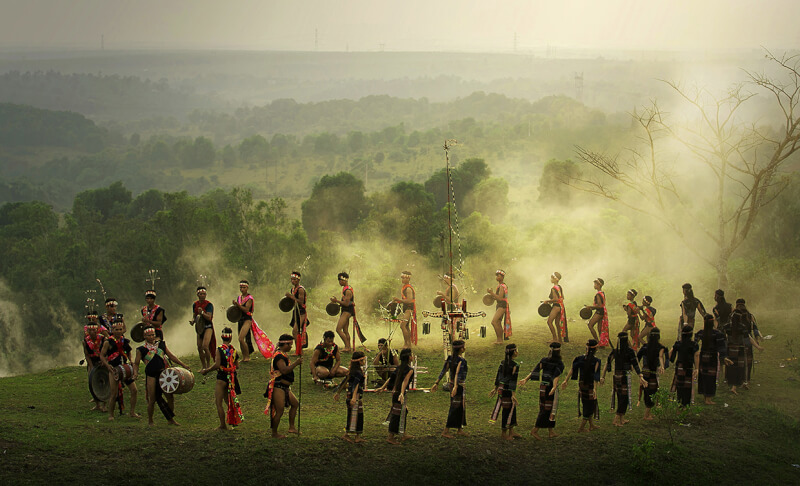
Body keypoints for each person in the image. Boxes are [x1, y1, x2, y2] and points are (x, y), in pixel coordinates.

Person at [133, 326, 189, 426]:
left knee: (170, 397)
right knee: (152, 399)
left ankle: (170, 419)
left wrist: (183, 364)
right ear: (144, 336)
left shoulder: (161, 344)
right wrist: (135, 373)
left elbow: (171, 356)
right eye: (149, 335)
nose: (151, 337)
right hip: (151, 375)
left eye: (153, 335)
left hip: (163, 374)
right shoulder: (141, 349)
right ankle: (150, 421)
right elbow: (136, 363)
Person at [200, 327, 243, 430]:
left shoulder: (219, 349)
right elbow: (237, 366)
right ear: (231, 337)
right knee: (228, 401)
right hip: (231, 378)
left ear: (221, 337)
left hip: (221, 378)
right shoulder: (233, 350)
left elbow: (217, 364)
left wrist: (207, 370)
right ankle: (233, 421)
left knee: (218, 402)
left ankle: (223, 425)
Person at [520, 342, 565, 439]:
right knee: (548, 409)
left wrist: (526, 379)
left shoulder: (544, 360)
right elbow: (556, 376)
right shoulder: (559, 363)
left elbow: (535, 370)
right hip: (550, 387)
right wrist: (554, 387)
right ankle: (535, 430)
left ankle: (551, 431)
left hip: (542, 387)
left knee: (545, 408)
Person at [601, 332, 646, 426]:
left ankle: (622, 419)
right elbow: (635, 364)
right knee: (623, 398)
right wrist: (640, 375)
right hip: (624, 377)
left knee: (620, 396)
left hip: (616, 376)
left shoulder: (615, 351)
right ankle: (616, 420)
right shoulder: (629, 351)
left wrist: (603, 376)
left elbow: (607, 363)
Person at [100, 322, 139, 420]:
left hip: (125, 368)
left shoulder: (125, 341)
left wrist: (131, 360)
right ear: (112, 331)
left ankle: (132, 412)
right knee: (113, 394)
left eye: (120, 329)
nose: (118, 331)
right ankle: (111, 415)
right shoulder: (108, 342)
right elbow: (102, 355)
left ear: (123, 330)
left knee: (134, 390)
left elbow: (129, 352)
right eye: (116, 330)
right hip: (114, 369)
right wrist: (107, 366)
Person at [561, 339, 602, 432]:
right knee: (590, 405)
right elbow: (596, 376)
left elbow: (572, 369)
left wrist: (565, 380)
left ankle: (591, 425)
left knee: (586, 402)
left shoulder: (579, 359)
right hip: (590, 385)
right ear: (596, 349)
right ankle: (581, 427)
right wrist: (595, 389)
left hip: (582, 384)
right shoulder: (596, 361)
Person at [266, 335, 303, 438]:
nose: (291, 346)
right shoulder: (279, 356)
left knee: (295, 404)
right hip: (279, 386)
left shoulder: (282, 354)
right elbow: (284, 370)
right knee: (280, 410)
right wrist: (296, 363)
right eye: (290, 344)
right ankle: (274, 433)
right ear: (285, 344)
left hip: (285, 387)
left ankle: (291, 427)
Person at [430, 340, 468, 438]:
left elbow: (444, 370)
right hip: (457, 385)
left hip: (452, 384)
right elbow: (457, 374)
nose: (465, 348)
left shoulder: (451, 359)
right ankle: (446, 430)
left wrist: (437, 382)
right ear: (460, 349)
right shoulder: (461, 361)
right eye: (463, 347)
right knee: (455, 407)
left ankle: (459, 429)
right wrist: (456, 386)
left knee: (459, 407)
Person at [725, 300, 764, 394]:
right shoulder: (747, 318)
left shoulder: (728, 324)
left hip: (731, 348)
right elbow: (752, 331)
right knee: (744, 365)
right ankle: (745, 381)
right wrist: (758, 345)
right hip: (742, 346)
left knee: (732, 366)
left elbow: (723, 335)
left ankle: (732, 384)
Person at [694, 314, 730, 405]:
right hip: (712, 358)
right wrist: (724, 357)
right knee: (711, 376)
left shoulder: (701, 333)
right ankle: (708, 399)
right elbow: (721, 347)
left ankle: (705, 396)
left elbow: (695, 343)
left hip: (703, 356)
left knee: (703, 376)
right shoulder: (717, 334)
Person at [382, 347, 415, 445]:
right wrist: (401, 393)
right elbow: (405, 381)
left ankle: (403, 433)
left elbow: (390, 378)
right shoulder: (410, 370)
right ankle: (390, 437)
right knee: (396, 414)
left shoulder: (399, 367)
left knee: (403, 411)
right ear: (409, 357)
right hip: (400, 393)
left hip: (396, 393)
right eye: (411, 355)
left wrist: (382, 387)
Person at [334, 351, 367, 443]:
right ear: (359, 361)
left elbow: (345, 381)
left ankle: (357, 436)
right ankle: (348, 435)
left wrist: (338, 393)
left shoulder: (352, 371)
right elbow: (356, 385)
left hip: (351, 395)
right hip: (354, 396)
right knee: (356, 416)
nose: (364, 361)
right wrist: (354, 398)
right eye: (363, 360)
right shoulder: (358, 373)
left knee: (355, 415)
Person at [489, 344, 520, 440]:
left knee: (511, 409)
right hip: (507, 390)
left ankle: (511, 431)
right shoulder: (515, 365)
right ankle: (504, 433)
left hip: (501, 389)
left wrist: (495, 388)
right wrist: (513, 394)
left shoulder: (503, 363)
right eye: (517, 350)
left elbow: (498, 375)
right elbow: (513, 380)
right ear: (514, 352)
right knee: (507, 410)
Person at [636, 329, 667, 420]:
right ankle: (646, 415)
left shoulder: (645, 347)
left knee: (647, 391)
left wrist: (638, 369)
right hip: (653, 373)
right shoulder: (660, 347)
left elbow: (637, 358)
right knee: (652, 392)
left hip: (645, 372)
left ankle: (648, 413)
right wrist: (662, 366)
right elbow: (661, 357)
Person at [670, 325, 699, 406]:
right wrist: (696, 368)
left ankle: (679, 403)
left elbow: (671, 356)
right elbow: (696, 356)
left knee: (679, 386)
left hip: (679, 368)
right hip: (689, 368)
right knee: (687, 387)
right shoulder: (694, 345)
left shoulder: (678, 344)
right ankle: (686, 405)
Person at [82, 319, 106, 412]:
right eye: (90, 330)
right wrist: (91, 366)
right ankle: (97, 404)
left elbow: (105, 352)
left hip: (102, 360)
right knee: (92, 381)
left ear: (97, 330)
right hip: (92, 361)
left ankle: (104, 404)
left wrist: (103, 361)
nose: (92, 332)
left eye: (94, 330)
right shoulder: (85, 341)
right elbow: (86, 355)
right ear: (87, 331)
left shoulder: (103, 339)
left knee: (105, 381)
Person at [330, 272, 355, 352]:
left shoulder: (348, 291)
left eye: (340, 280)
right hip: (346, 310)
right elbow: (346, 302)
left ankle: (347, 347)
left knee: (338, 329)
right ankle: (348, 347)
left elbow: (347, 304)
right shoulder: (346, 289)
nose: (339, 282)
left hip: (347, 311)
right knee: (345, 330)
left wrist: (336, 300)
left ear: (344, 280)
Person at [193, 286, 216, 371]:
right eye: (201, 294)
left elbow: (209, 318)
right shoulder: (195, 304)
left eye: (204, 294)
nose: (203, 295)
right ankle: (203, 366)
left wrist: (202, 312)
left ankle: (208, 365)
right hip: (200, 328)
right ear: (197, 294)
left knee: (205, 346)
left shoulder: (209, 304)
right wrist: (193, 321)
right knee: (199, 347)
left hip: (208, 327)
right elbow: (194, 316)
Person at [393, 270, 417, 348]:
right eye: (402, 278)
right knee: (406, 326)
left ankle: (407, 344)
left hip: (409, 309)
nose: (402, 279)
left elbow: (409, 300)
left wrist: (399, 300)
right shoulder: (405, 287)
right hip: (406, 308)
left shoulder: (408, 289)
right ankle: (408, 344)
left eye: (404, 278)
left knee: (402, 325)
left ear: (408, 279)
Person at [486, 270, 511, 344]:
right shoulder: (500, 286)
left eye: (498, 275)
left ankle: (500, 340)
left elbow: (500, 298)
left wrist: (491, 293)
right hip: (500, 305)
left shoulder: (502, 286)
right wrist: (492, 296)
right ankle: (499, 340)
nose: (497, 277)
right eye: (496, 275)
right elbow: (498, 298)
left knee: (494, 322)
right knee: (498, 322)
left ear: (502, 277)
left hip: (502, 305)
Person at [233, 280, 255, 361]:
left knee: (241, 338)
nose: (242, 289)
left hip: (247, 319)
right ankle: (244, 356)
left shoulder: (249, 298)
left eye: (244, 287)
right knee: (241, 338)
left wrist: (237, 305)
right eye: (241, 287)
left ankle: (247, 357)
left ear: (247, 288)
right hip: (240, 319)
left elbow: (246, 310)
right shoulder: (239, 297)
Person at [285, 271, 309, 345]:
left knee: (295, 331)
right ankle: (298, 350)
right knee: (296, 331)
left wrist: (291, 296)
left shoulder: (300, 289)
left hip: (301, 313)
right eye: (292, 279)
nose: (293, 281)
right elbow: (292, 302)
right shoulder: (293, 289)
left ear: (298, 280)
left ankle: (299, 350)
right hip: (296, 312)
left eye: (295, 279)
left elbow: (301, 302)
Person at [544, 272, 568, 343]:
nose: (551, 279)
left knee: (549, 322)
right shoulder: (559, 287)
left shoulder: (554, 288)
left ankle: (555, 338)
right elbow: (562, 297)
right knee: (557, 323)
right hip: (561, 306)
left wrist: (547, 301)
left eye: (552, 277)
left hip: (556, 307)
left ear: (556, 279)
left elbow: (555, 299)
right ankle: (560, 340)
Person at [584, 278, 608, 345]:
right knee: (600, 328)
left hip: (599, 312)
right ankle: (601, 343)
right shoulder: (602, 293)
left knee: (590, 325)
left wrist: (590, 307)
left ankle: (597, 341)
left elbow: (600, 306)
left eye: (595, 284)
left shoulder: (598, 294)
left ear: (598, 285)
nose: (594, 285)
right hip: (601, 311)